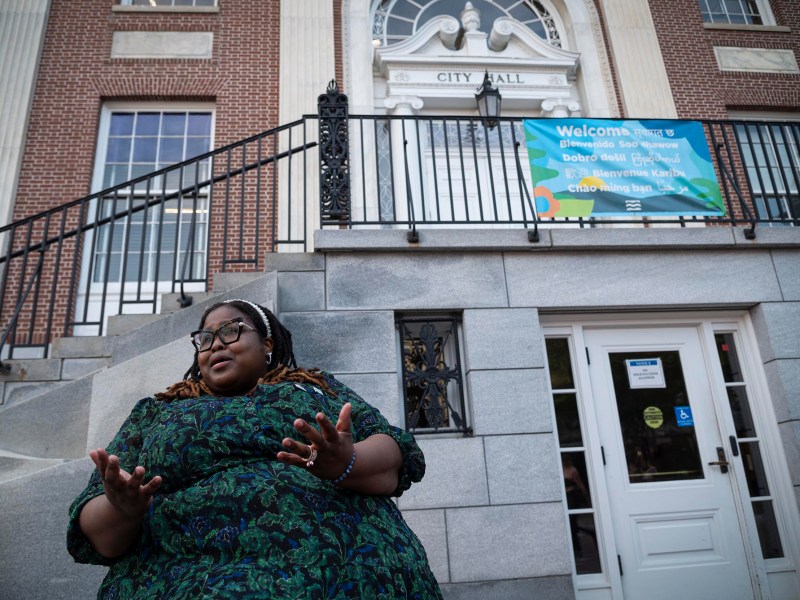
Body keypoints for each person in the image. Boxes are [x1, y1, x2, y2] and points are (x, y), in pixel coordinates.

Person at [68, 299, 442, 599]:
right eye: (205, 338)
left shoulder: (315, 389)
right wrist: (122, 508)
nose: (215, 343)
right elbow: (99, 536)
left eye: (231, 331)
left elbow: (395, 458)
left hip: (342, 562)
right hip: (183, 569)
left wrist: (347, 462)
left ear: (267, 344)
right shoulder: (157, 411)